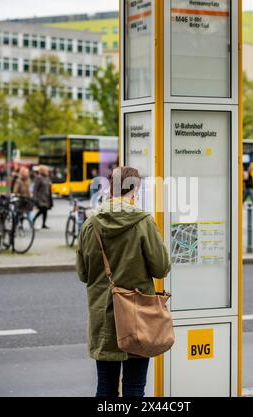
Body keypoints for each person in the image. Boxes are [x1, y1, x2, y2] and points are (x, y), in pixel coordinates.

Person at [76, 167, 170, 398]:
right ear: (135, 189)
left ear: (110, 189)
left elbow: (83, 273)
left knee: (105, 387)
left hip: (104, 315)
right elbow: (161, 268)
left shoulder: (91, 223)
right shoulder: (144, 221)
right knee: (135, 387)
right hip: (138, 316)